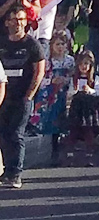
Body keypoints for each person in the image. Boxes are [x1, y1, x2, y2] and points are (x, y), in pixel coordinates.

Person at [0, 4, 46, 188]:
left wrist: (29, 95)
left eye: (21, 19)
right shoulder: (2, 43)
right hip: (4, 97)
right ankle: (7, 170)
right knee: (3, 134)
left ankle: (16, 173)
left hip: (22, 97)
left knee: (16, 134)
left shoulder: (31, 45)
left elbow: (39, 71)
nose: (18, 23)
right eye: (14, 20)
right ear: (7, 22)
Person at [31, 30, 75, 166]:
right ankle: (47, 151)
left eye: (63, 44)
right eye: (57, 44)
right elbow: (41, 79)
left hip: (63, 94)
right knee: (47, 121)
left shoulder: (69, 61)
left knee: (61, 121)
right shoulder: (48, 62)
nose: (60, 47)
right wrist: (51, 81)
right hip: (48, 95)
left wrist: (66, 80)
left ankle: (58, 151)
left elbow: (75, 77)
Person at [63, 50, 99, 166]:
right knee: (73, 131)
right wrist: (74, 91)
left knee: (88, 131)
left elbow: (98, 92)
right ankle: (70, 156)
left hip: (88, 107)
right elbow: (70, 92)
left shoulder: (94, 78)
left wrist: (90, 90)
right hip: (77, 107)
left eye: (86, 64)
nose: (83, 67)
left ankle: (89, 155)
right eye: (81, 64)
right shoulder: (74, 78)